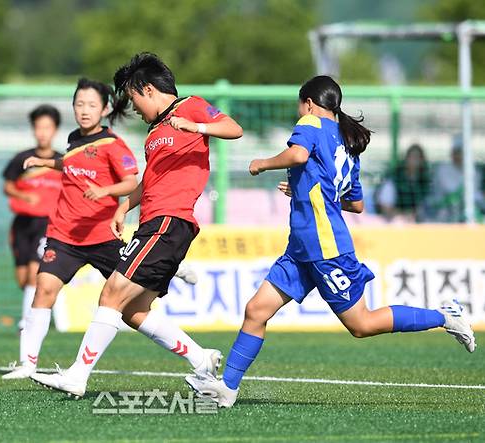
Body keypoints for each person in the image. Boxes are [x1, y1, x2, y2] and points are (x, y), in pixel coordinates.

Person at [184, 75, 476, 408]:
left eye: (300, 105)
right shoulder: (346, 144)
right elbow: (355, 203)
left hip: (325, 247)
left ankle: (445, 315)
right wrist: (308, 189)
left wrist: (262, 164)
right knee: (257, 310)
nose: (300, 111)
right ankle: (228, 388)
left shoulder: (310, 121)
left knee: (361, 324)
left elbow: (296, 155)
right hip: (302, 248)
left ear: (309, 103)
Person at [28, 53, 243, 398]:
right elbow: (150, 179)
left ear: (147, 89)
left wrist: (197, 126)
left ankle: (78, 376)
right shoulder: (155, 132)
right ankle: (202, 360)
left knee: (112, 292)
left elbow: (234, 128)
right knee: (133, 310)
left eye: (134, 99)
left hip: (169, 223)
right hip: (152, 224)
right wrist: (124, 207)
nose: (135, 109)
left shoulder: (190, 107)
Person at [2, 77, 199, 380]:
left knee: (133, 312)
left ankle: (197, 350)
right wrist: (44, 163)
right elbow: (70, 163)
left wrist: (105, 192)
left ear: (105, 109)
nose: (84, 110)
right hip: (65, 234)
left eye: (91, 104)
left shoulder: (112, 144)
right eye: (79, 104)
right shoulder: (73, 141)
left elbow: (131, 182)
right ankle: (27, 364)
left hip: (103, 237)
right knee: (44, 289)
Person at [2, 105, 63, 331]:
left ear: (55, 130)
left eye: (47, 127)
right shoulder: (22, 159)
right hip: (22, 223)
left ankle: (26, 322)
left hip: (47, 224)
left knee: (33, 274)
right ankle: (38, 308)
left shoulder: (61, 161)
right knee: (22, 277)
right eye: (39, 127)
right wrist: (23, 195)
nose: (43, 132)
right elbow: (7, 186)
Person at [425, 136, 484, 222]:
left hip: (468, 209)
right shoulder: (443, 169)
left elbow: (475, 194)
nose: (458, 156)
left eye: (461, 152)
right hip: (442, 209)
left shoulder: (474, 171)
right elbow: (452, 193)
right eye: (456, 152)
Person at [375, 143, 431, 222]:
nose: (415, 161)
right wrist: (405, 215)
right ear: (406, 158)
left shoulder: (424, 181)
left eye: (419, 157)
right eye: (413, 157)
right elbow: (386, 209)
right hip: (391, 223)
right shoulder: (393, 179)